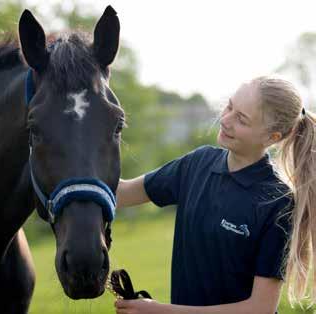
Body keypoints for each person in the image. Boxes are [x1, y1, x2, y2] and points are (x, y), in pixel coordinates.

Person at [114, 76, 316, 314]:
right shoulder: (197, 163)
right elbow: (122, 193)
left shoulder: (277, 203)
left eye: (241, 119)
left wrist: (160, 311)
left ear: (272, 137)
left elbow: (260, 308)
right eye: (230, 106)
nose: (225, 119)